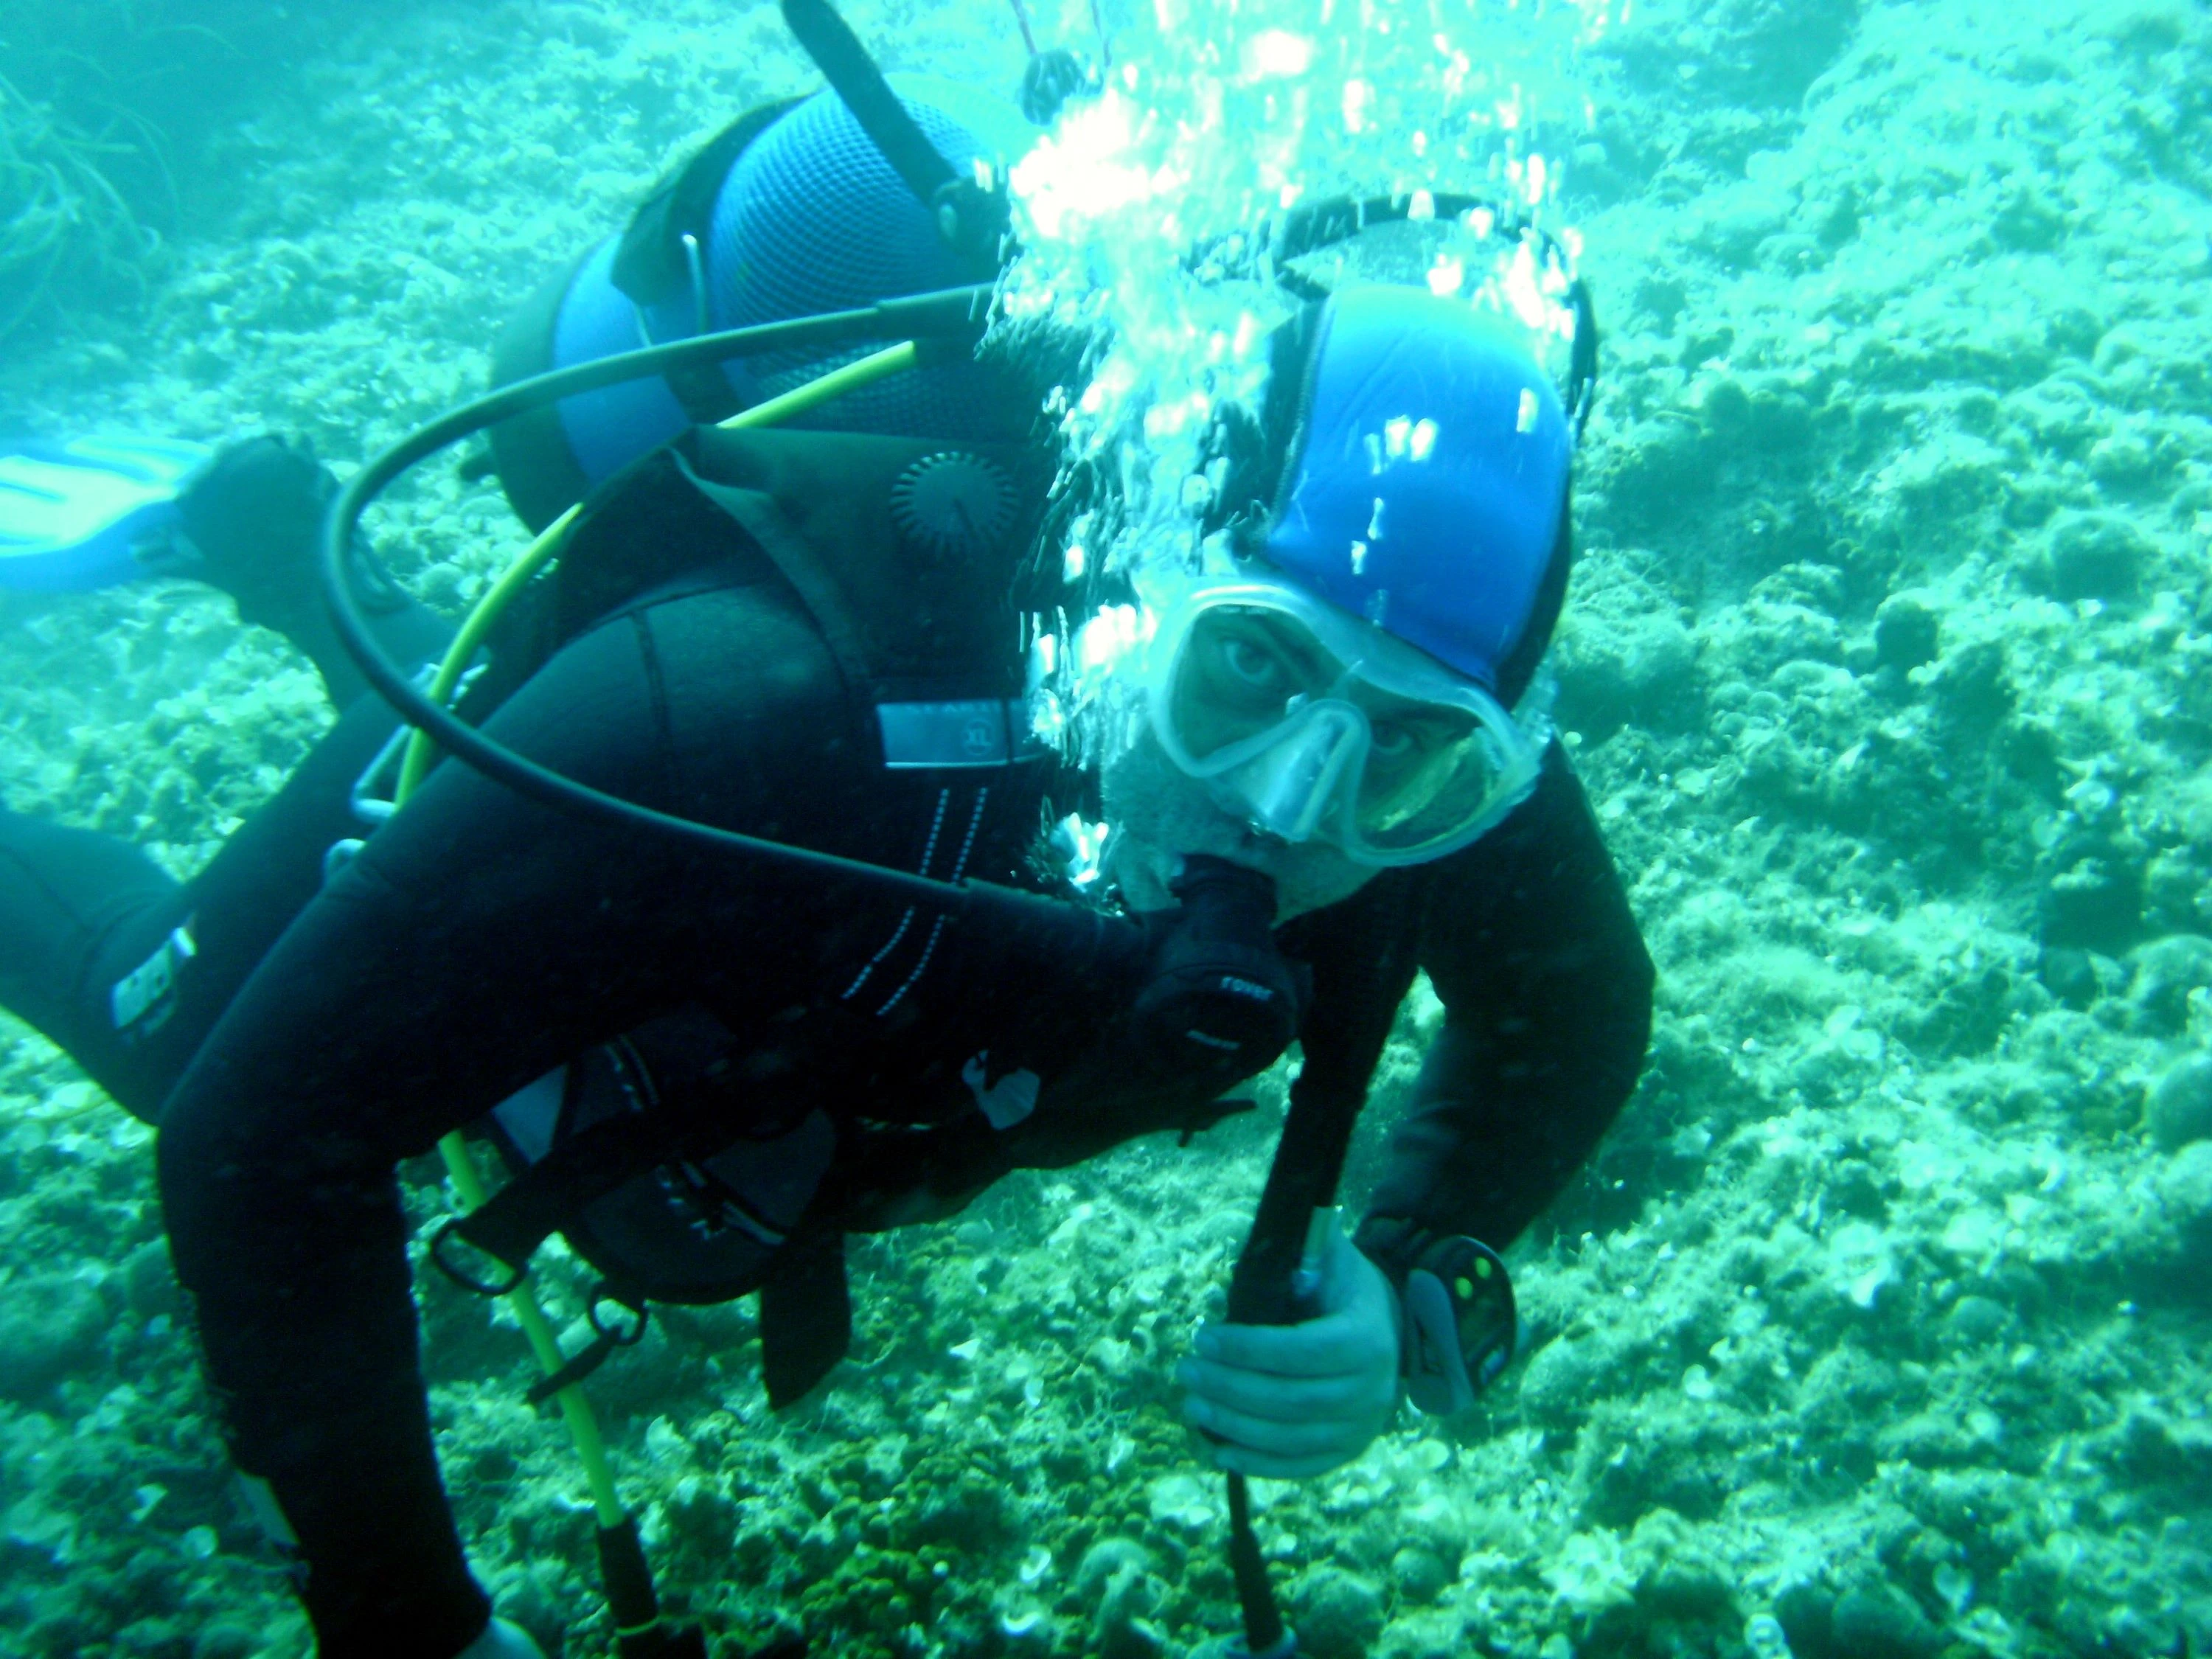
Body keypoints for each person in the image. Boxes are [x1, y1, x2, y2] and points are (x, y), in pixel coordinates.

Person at [0, 73, 1653, 1659]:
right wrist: (406, 1622)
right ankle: (270, 572)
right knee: (165, 1037)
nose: (1296, 806)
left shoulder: (1423, 738)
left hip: (671, 903)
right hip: (610, 783)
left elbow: (1573, 1010)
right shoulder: (748, 713)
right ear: (1153, 573)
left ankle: (290, 569)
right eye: (1250, 670)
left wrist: (1410, 1253)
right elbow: (260, 1143)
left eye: (1414, 752)